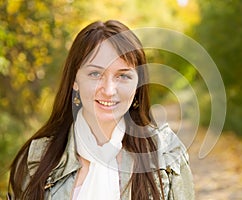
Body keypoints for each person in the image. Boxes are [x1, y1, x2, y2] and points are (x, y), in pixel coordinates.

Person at [8, 20, 194, 200]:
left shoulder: (165, 153)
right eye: (95, 74)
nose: (109, 90)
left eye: (123, 76)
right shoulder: (38, 159)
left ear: (138, 83)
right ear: (75, 80)